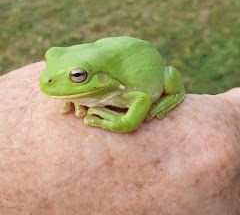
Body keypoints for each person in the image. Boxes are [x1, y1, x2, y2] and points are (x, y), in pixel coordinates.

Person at [0, 62, 239, 215]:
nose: (46, 80)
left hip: (145, 75)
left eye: (77, 76)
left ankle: (174, 95)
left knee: (168, 77)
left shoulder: (120, 90)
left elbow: (142, 98)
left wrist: (122, 122)